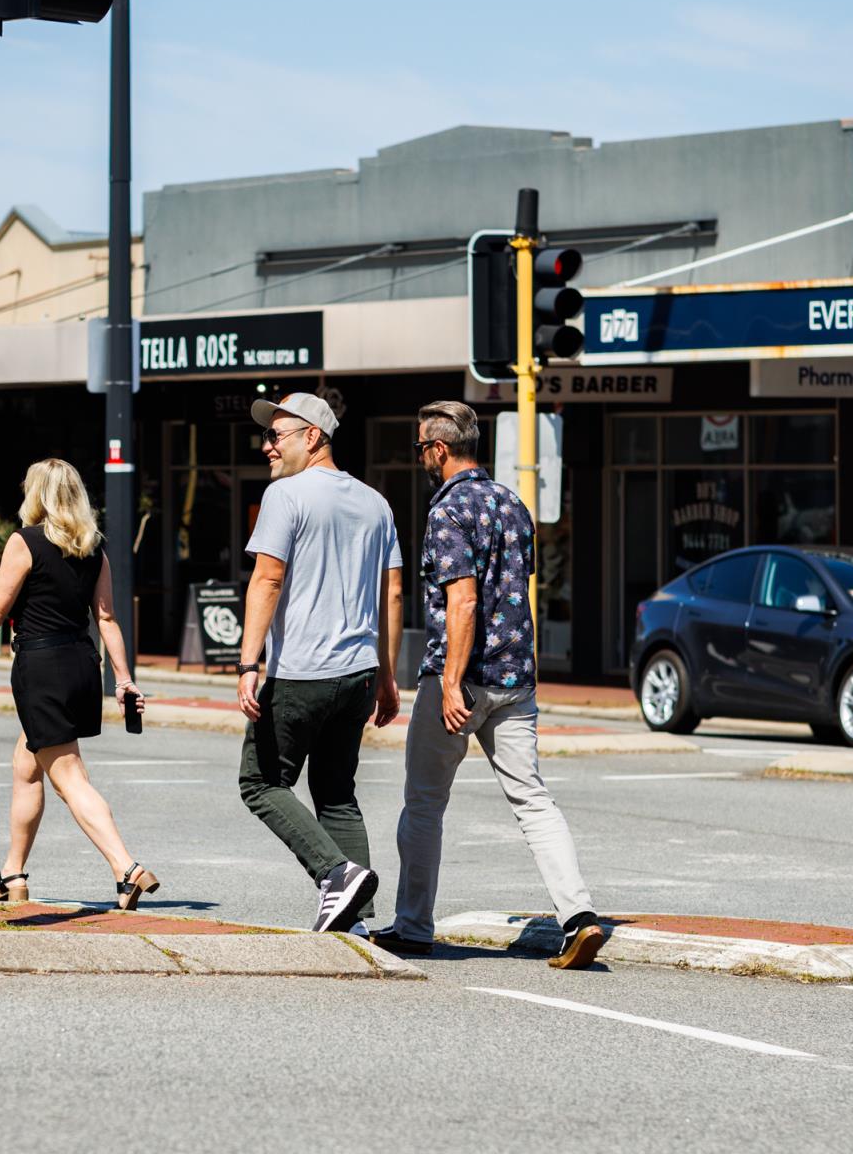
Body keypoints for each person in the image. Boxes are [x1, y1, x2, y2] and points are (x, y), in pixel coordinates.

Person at [371, 400, 604, 970]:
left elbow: (464, 598)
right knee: (533, 800)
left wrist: (450, 682)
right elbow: (515, 590)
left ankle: (413, 926)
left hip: (464, 677)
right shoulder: (512, 503)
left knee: (424, 803)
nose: (422, 457)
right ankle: (579, 917)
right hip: (516, 678)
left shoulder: (448, 510)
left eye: (422, 448)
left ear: (440, 449)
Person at [0, 459, 159, 910]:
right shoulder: (93, 548)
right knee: (26, 766)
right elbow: (106, 618)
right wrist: (123, 680)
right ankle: (13, 872)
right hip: (81, 664)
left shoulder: (24, 542)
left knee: (69, 777)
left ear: (36, 495)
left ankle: (127, 869)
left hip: (40, 667)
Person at [236, 391, 402, 933]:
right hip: (357, 673)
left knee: (260, 782)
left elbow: (267, 577)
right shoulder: (377, 503)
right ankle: (359, 920)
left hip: (302, 671)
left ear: (313, 437)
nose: (266, 446)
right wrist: (387, 674)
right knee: (336, 793)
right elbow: (392, 594)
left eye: (276, 435)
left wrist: (247, 663)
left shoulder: (287, 495)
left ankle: (334, 875)